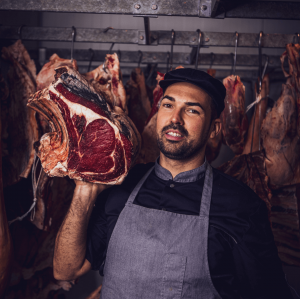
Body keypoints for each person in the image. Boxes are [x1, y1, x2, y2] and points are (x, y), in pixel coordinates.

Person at [53, 68, 293, 299]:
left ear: (214, 129)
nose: (175, 119)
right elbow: (66, 270)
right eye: (168, 105)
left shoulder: (241, 206)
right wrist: (84, 191)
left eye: (192, 111)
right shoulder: (121, 185)